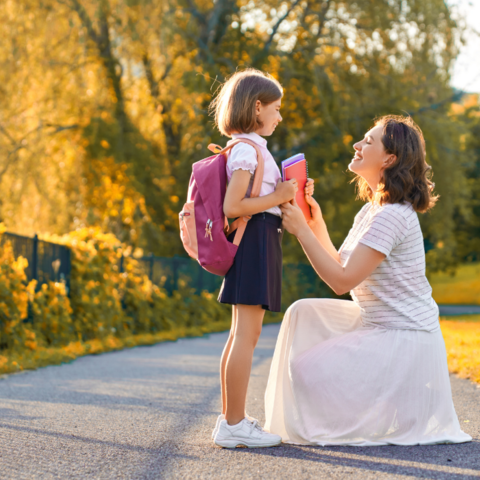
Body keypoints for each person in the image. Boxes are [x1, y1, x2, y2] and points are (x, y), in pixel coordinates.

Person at [265, 115, 472, 446]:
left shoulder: (392, 215)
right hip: (379, 325)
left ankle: (396, 395)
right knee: (303, 311)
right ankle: (396, 396)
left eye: (368, 141)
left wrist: (301, 231)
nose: (357, 145)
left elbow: (341, 282)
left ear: (389, 158)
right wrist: (314, 224)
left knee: (306, 370)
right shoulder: (373, 210)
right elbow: (340, 263)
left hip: (404, 336)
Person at [209, 68, 313, 448]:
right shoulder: (246, 150)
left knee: (242, 334)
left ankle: (230, 420)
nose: (280, 116)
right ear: (257, 107)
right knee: (246, 336)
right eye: (277, 108)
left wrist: (289, 191)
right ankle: (233, 424)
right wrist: (279, 193)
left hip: (259, 240)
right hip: (254, 242)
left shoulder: (250, 148)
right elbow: (233, 205)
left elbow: (258, 198)